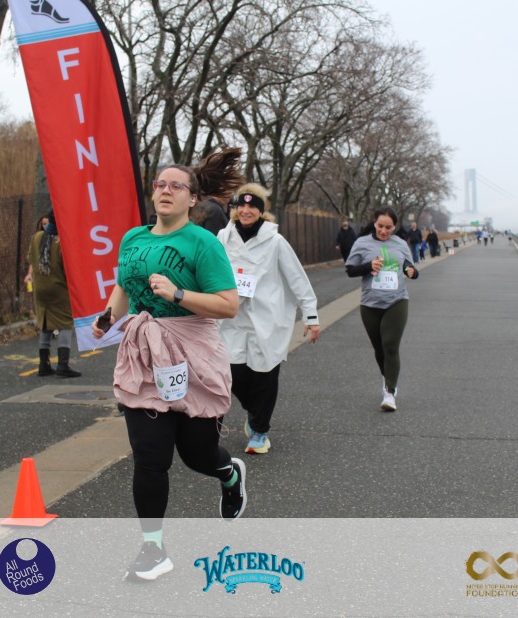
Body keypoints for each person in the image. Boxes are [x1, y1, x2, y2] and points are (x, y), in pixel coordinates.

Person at [91, 147, 247, 582]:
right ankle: (153, 549)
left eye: (176, 186)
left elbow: (228, 305)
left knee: (197, 455)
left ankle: (228, 473)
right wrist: (108, 317)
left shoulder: (202, 243)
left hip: (192, 352)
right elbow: (124, 285)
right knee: (150, 456)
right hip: (144, 353)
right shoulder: (133, 238)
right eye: (160, 184)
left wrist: (178, 294)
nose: (165, 190)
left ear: (192, 198)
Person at [216, 183, 321, 455]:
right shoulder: (223, 237)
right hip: (232, 320)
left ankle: (260, 431)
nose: (246, 210)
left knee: (264, 375)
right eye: (242, 205)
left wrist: (311, 316)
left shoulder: (275, 242)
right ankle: (255, 412)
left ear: (261, 211)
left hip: (267, 320)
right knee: (233, 373)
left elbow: (298, 280)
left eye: (252, 206)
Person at [345, 206, 418, 412]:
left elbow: (411, 268)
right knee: (379, 349)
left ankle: (390, 392)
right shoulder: (362, 243)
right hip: (370, 303)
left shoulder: (400, 244)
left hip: (397, 300)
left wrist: (411, 272)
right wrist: (369, 266)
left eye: (388, 227)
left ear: (394, 227)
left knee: (390, 346)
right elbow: (350, 270)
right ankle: (388, 378)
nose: (384, 231)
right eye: (380, 226)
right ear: (374, 223)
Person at [27, 211, 81, 378]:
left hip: (40, 288)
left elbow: (30, 258)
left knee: (45, 323)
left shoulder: (37, 238)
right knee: (65, 323)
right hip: (58, 288)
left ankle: (43, 364)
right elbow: (68, 268)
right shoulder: (61, 242)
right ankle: (63, 364)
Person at [23, 215, 50, 290]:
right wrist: (30, 274)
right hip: (40, 278)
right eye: (44, 224)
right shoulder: (37, 239)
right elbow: (33, 258)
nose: (46, 226)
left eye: (48, 224)